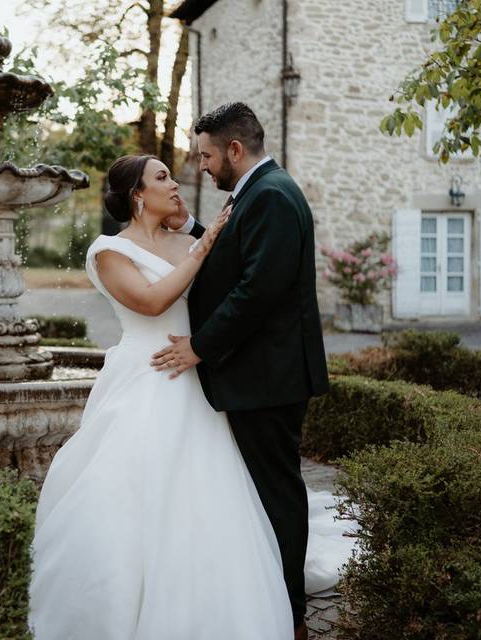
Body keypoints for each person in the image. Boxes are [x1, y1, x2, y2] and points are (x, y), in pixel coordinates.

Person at [29, 142, 352, 638]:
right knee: (134, 489)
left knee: (215, 489)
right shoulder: (108, 250)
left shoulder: (185, 241)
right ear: (137, 195)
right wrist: (204, 243)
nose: (176, 183)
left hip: (197, 379)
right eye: (162, 178)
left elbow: (238, 277)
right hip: (147, 374)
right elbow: (154, 301)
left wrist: (198, 233)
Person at [151, 102, 331, 640]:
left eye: (206, 155)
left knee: (277, 493)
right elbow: (243, 254)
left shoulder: (272, 194)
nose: (200, 166)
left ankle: (290, 615)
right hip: (263, 374)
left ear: (234, 149)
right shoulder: (261, 190)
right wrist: (195, 228)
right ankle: (271, 600)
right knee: (265, 491)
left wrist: (199, 348)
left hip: (268, 377)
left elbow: (258, 290)